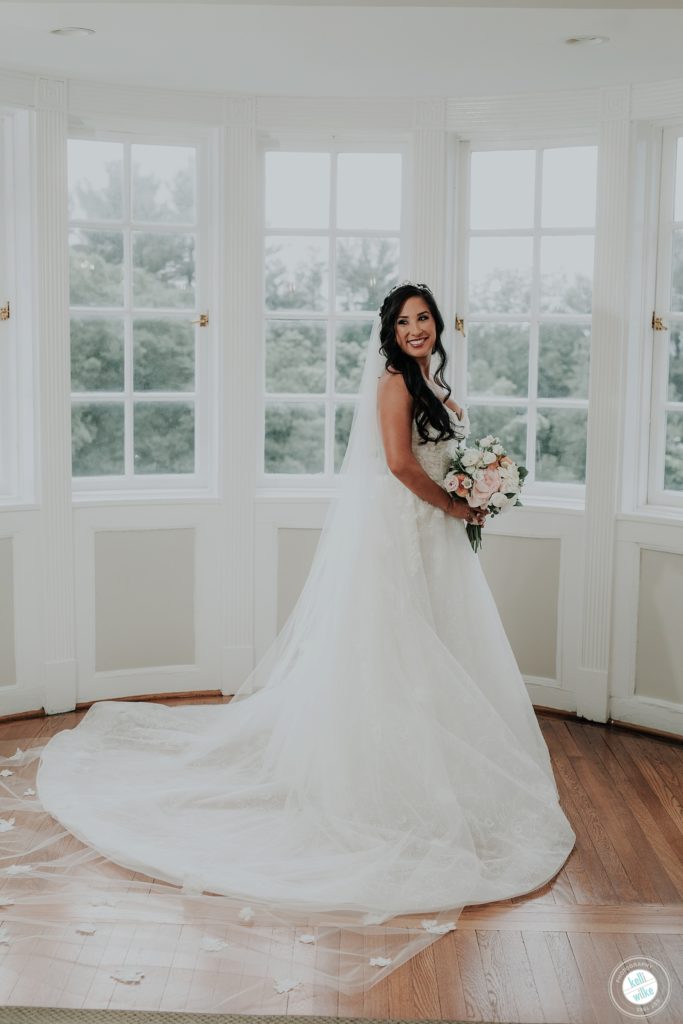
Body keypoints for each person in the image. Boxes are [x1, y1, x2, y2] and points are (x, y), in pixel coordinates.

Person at [0, 282, 576, 1005]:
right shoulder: (396, 382)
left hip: (430, 536)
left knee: (438, 652)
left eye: (424, 319)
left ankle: (434, 768)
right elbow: (400, 466)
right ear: (389, 333)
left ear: (438, 326)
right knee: (398, 653)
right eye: (404, 322)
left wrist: (472, 487)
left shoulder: (429, 380)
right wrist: (458, 501)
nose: (416, 330)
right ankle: (378, 783)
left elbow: (430, 458)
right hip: (403, 531)